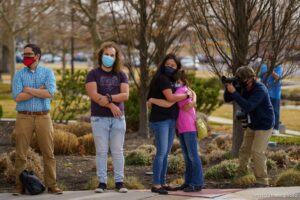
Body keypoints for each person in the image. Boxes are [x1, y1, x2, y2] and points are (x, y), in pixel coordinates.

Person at [12, 44, 62, 195]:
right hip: (23, 116)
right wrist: (38, 91)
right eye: (24, 54)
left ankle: (52, 185)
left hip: (43, 117)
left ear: (37, 56)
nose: (25, 57)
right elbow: (17, 97)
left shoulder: (47, 73)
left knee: (48, 152)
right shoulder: (19, 74)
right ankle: (19, 186)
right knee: (21, 153)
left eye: (28, 54)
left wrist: (28, 89)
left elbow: (50, 93)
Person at [148, 69, 204, 192]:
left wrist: (152, 100)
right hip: (182, 128)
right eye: (175, 80)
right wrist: (192, 99)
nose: (176, 82)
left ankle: (198, 183)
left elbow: (174, 104)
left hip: (189, 127)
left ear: (182, 80)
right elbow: (192, 95)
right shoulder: (185, 90)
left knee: (193, 156)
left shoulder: (181, 90)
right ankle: (189, 182)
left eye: (178, 80)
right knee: (187, 156)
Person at [85, 41, 129, 193]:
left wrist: (109, 98)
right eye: (106, 54)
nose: (109, 57)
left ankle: (119, 182)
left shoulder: (121, 75)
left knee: (117, 151)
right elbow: (94, 95)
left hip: (118, 119)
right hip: (99, 118)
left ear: (116, 58)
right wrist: (111, 104)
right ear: (101, 55)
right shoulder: (93, 74)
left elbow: (125, 95)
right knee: (101, 151)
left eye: (112, 55)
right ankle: (102, 183)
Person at [147, 54, 192, 195]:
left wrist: (189, 94)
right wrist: (185, 96)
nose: (170, 67)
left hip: (171, 119)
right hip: (161, 120)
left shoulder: (174, 81)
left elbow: (176, 98)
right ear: (163, 64)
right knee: (161, 153)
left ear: (177, 68)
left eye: (173, 66)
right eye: (168, 64)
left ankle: (163, 182)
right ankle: (156, 184)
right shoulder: (162, 79)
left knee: (166, 153)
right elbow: (170, 98)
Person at [224, 66, 274, 187]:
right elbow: (227, 99)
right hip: (253, 123)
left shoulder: (260, 89)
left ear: (250, 78)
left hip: (264, 124)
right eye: (238, 78)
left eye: (242, 79)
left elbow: (248, 106)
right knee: (244, 150)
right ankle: (241, 174)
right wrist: (229, 87)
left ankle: (262, 181)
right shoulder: (242, 87)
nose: (240, 81)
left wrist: (235, 92)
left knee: (257, 151)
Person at [260, 59, 283, 134]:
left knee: (275, 111)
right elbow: (263, 77)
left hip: (276, 93)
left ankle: (275, 128)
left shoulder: (279, 67)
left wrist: (270, 69)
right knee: (265, 110)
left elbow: (277, 78)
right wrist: (268, 69)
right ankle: (265, 126)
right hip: (265, 92)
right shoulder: (263, 67)